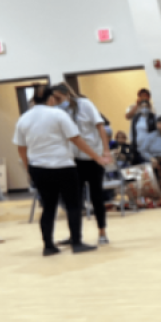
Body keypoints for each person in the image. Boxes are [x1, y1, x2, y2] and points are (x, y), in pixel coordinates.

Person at [14, 84, 111, 256]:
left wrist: (29, 169)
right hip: (63, 166)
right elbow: (76, 139)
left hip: (39, 168)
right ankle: (76, 242)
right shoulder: (58, 114)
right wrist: (97, 157)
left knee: (48, 207)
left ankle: (48, 246)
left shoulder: (23, 119)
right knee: (73, 204)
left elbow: (21, 148)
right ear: (50, 98)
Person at [54, 83, 113, 244]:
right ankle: (75, 235)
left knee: (96, 196)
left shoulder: (85, 105)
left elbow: (100, 126)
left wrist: (106, 150)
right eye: (54, 99)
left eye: (59, 98)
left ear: (67, 94)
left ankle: (102, 232)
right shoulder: (58, 111)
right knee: (74, 199)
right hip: (74, 160)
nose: (57, 101)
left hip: (94, 157)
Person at [125, 88, 155, 165]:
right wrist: (137, 105)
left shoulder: (152, 107)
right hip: (136, 143)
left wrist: (148, 106)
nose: (143, 97)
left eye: (145, 96)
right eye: (141, 96)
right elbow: (127, 116)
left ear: (149, 97)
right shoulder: (133, 106)